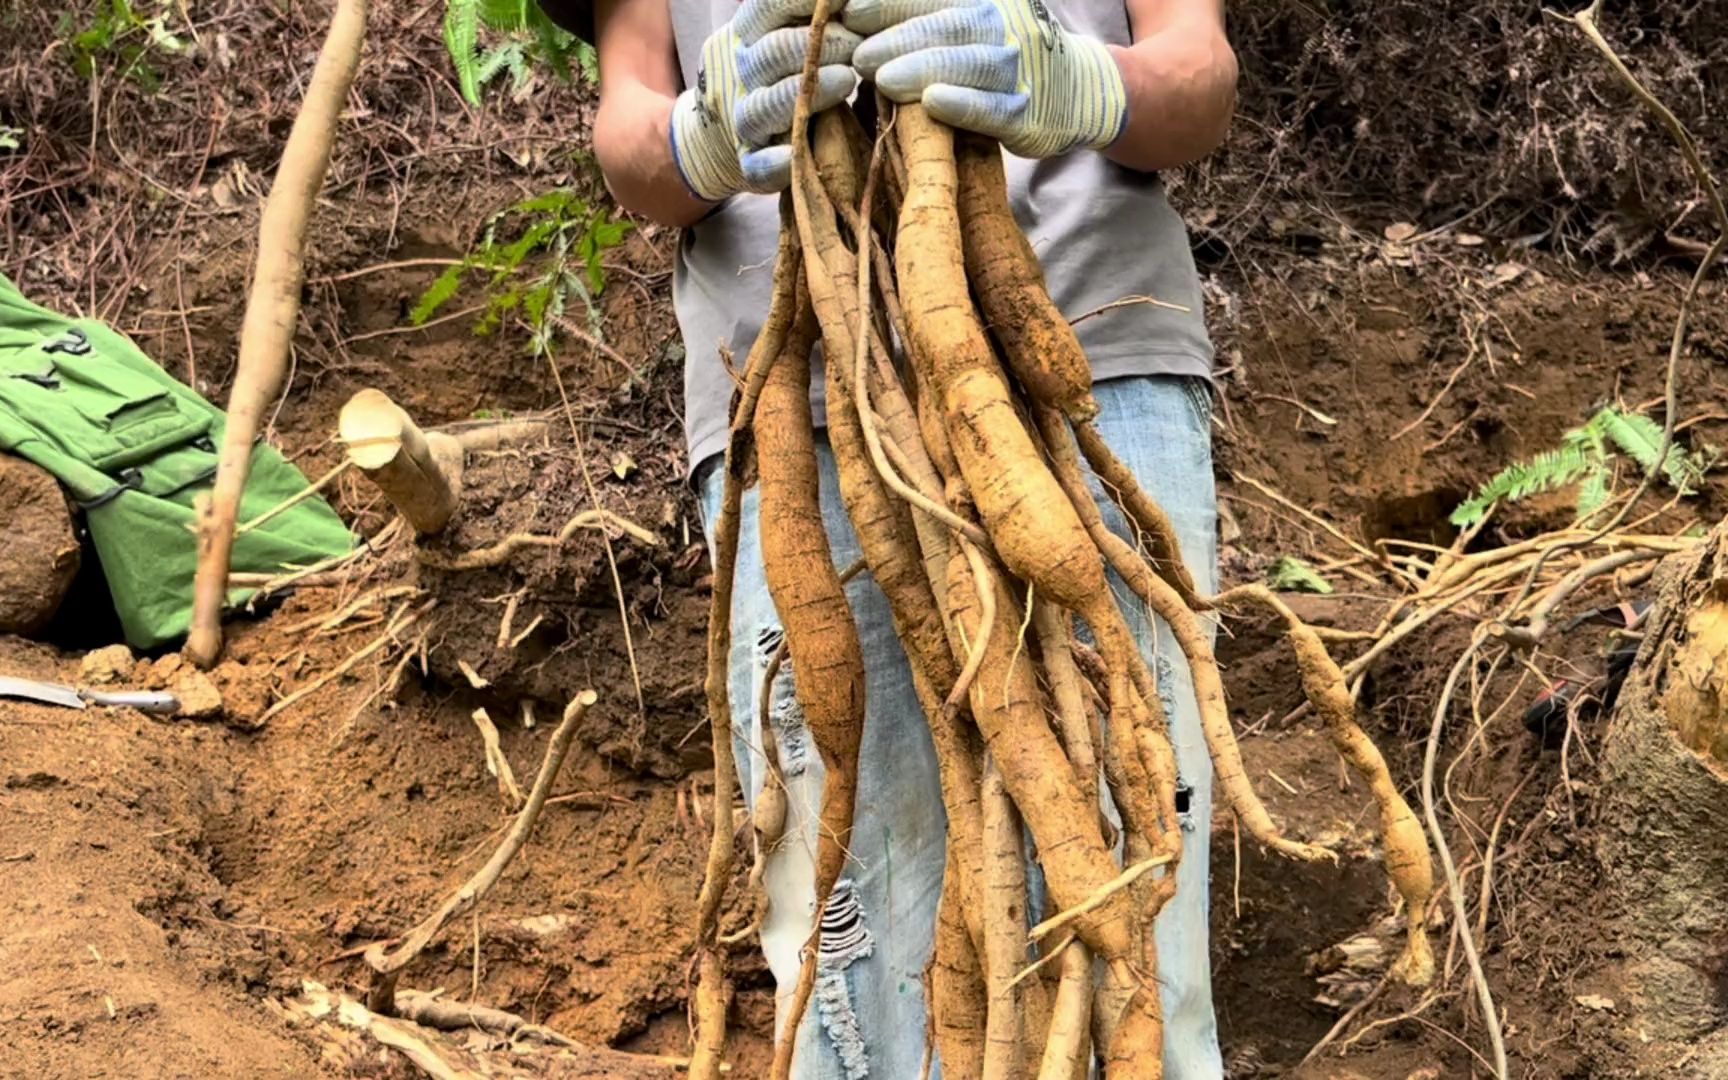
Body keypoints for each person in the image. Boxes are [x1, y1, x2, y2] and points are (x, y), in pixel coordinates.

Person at [545, 0, 1237, 1073]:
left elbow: (1198, 77)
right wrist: (698, 135)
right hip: (795, 400)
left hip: (1093, 359)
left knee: (1138, 926)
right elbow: (629, 133)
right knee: (861, 980)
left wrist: (1084, 85)